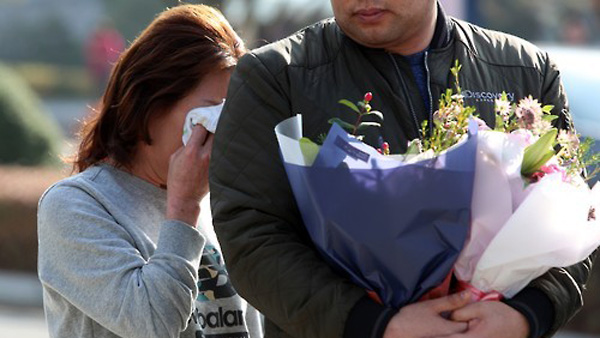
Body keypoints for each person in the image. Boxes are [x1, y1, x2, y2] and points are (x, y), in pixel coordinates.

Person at [209, 1, 597, 337]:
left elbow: (574, 219)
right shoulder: (277, 76)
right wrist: (372, 325)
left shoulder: (524, 70)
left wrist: (527, 314)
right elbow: (251, 235)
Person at [37, 5, 263, 338]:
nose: (222, 130)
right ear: (150, 101)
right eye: (210, 112)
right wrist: (184, 207)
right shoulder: (74, 206)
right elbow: (154, 325)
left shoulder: (213, 201)